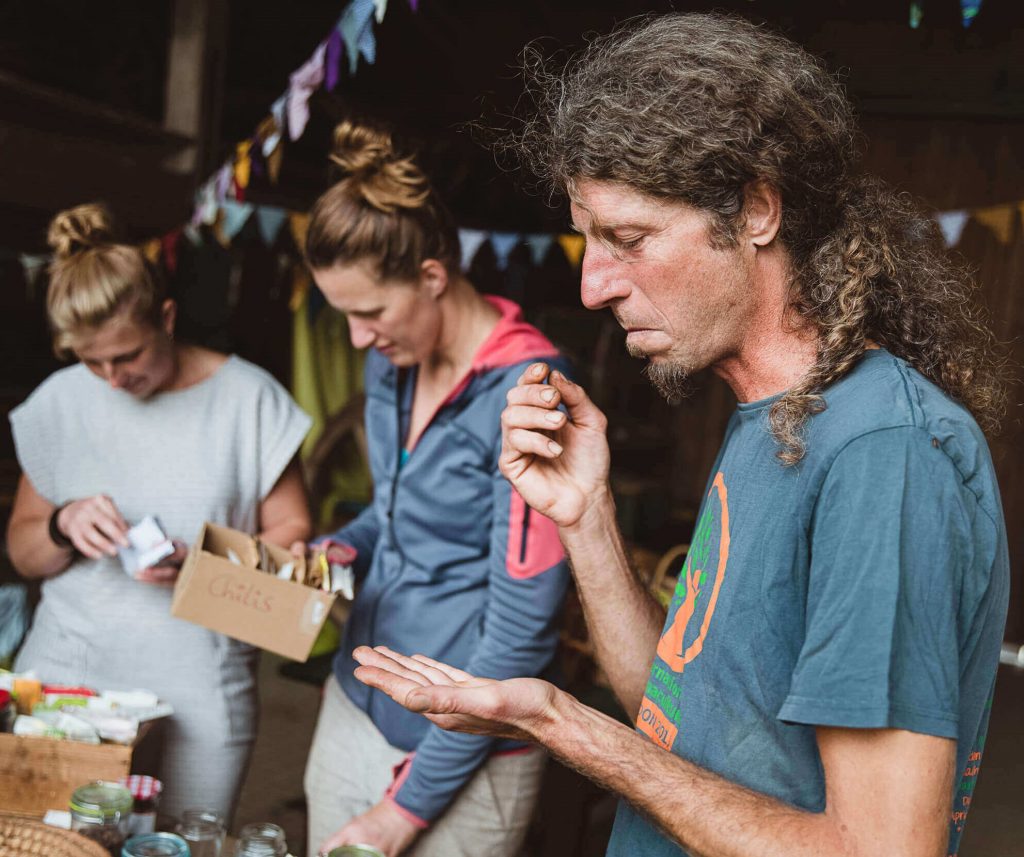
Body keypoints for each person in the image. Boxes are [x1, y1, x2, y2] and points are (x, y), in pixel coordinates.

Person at [350, 13, 1011, 857]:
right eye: (589, 239)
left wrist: (557, 718)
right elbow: (681, 714)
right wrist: (584, 515)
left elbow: (879, 849)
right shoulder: (773, 414)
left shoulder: (883, 453)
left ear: (758, 210)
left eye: (628, 239)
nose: (592, 286)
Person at [298, 121, 571, 857]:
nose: (357, 338)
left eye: (370, 313)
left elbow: (519, 633)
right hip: (356, 702)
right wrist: (327, 554)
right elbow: (394, 520)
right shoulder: (391, 362)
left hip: (464, 747)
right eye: (343, 314)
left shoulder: (531, 396)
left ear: (431, 276)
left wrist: (404, 810)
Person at [7, 203, 312, 819]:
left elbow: (295, 534)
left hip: (201, 689)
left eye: (127, 355)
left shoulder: (248, 399)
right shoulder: (59, 403)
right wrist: (63, 525)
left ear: (167, 318)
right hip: (69, 682)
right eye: (91, 362)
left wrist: (205, 560)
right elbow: (22, 551)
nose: (112, 379)